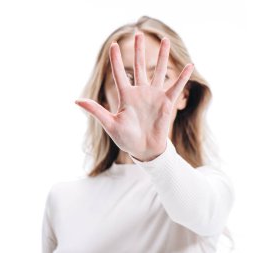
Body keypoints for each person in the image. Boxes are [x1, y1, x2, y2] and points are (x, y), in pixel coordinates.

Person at [42, 16, 235, 253]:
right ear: (103, 97)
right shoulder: (63, 199)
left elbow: (200, 210)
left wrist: (154, 153)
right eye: (127, 78)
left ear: (184, 95)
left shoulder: (211, 186)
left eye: (160, 76)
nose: (143, 94)